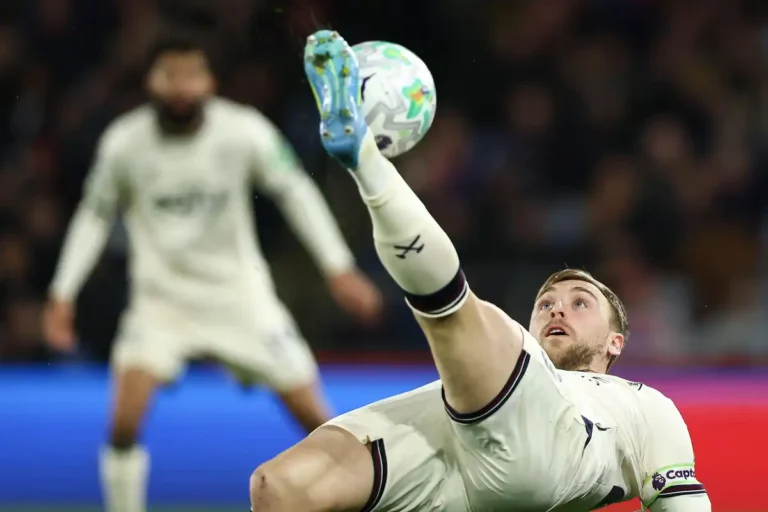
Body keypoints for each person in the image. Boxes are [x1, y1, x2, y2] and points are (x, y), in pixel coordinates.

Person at [247, 30, 711, 512]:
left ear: (617, 341)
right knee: (278, 487)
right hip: (450, 443)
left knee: (460, 316)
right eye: (546, 303)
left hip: (549, 446)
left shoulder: (641, 405)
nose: (557, 308)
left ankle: (363, 158)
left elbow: (682, 504)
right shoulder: (502, 364)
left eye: (580, 303)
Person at [42, 35, 383, 512]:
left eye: (192, 75)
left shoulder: (243, 131)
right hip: (160, 302)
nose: (181, 87)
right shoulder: (125, 142)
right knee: (123, 424)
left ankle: (363, 500)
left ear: (210, 81)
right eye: (170, 75)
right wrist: (62, 293)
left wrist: (339, 269)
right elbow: (94, 215)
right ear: (151, 82)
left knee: (319, 421)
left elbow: (294, 192)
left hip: (239, 297)